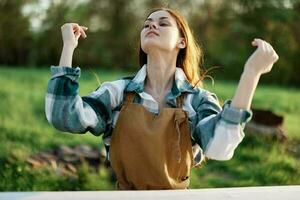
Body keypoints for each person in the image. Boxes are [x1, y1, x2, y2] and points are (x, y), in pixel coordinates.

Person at [45, 7, 279, 190]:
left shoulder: (197, 100)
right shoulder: (117, 92)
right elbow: (63, 116)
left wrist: (250, 75)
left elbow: (220, 147)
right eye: (146, 24)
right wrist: (68, 47)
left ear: (182, 41)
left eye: (162, 23)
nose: (151, 25)